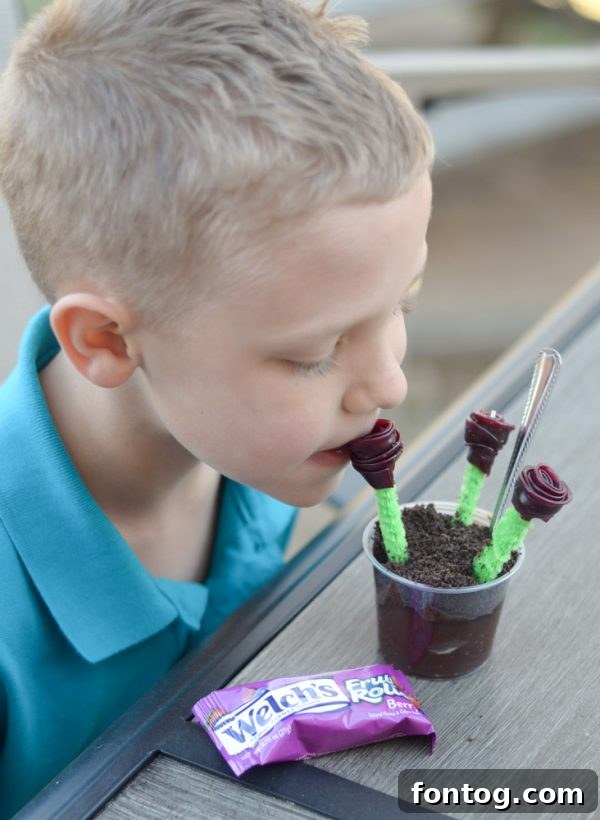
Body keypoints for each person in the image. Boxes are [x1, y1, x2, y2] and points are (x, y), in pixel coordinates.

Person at [0, 0, 433, 814]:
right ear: (106, 340)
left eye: (403, 303)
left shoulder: (255, 446)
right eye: (315, 352)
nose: (390, 385)